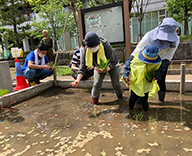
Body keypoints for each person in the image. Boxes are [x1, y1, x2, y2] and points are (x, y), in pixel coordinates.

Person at [124, 17, 180, 102]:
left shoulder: (176, 41)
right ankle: (140, 101)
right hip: (146, 61)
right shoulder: (148, 37)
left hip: (161, 61)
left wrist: (159, 72)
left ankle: (161, 101)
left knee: (161, 81)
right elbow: (135, 53)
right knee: (142, 81)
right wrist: (127, 69)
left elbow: (168, 57)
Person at [70, 32, 123, 107]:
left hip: (112, 64)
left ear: (98, 44)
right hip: (98, 65)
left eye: (94, 46)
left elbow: (113, 61)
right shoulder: (87, 49)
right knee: (97, 83)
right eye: (90, 47)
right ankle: (94, 103)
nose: (92, 48)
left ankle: (120, 98)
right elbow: (83, 66)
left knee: (116, 83)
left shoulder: (105, 45)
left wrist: (106, 69)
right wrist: (77, 80)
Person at [123, 45, 161, 112]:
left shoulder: (156, 64)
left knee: (144, 99)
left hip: (146, 85)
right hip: (136, 84)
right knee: (132, 98)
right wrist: (128, 79)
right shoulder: (135, 60)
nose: (148, 63)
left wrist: (156, 77)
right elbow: (130, 70)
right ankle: (130, 110)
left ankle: (146, 112)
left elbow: (158, 71)